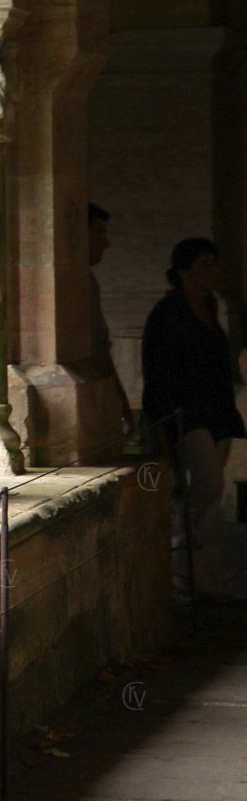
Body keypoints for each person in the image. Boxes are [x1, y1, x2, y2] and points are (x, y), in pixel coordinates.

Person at [141, 236, 247, 600]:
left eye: (215, 263)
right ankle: (186, 576)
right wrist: (162, 422)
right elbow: (158, 371)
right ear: (183, 271)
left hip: (215, 411)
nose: (214, 271)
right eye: (205, 264)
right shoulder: (168, 312)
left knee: (209, 495)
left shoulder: (210, 306)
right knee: (207, 485)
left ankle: (205, 581)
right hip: (184, 414)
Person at [87, 203, 133, 436]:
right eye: (100, 233)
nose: (107, 243)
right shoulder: (78, 283)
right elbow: (98, 347)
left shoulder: (87, 281)